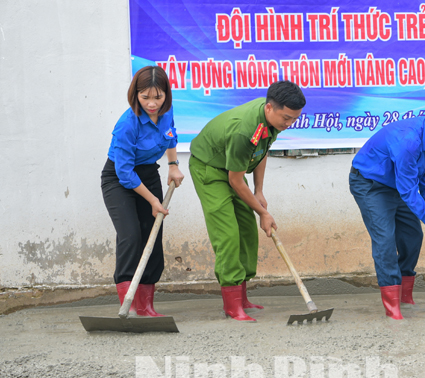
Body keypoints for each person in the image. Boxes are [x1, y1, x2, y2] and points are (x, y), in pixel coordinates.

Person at [188, 81, 306, 321]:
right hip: (210, 169)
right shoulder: (244, 129)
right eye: (286, 118)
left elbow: (261, 152)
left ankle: (241, 296)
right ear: (270, 108)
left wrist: (259, 190)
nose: (289, 124)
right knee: (228, 235)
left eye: (294, 119)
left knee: (247, 232)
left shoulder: (271, 121)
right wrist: (263, 213)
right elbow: (235, 180)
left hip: (235, 171)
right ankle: (232, 304)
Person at [349, 98, 425, 320]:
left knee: (412, 237)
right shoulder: (408, 141)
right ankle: (391, 305)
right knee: (385, 239)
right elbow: (408, 191)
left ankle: (404, 294)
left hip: (398, 185)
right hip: (371, 185)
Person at [101, 66, 184, 316]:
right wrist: (153, 201)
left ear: (166, 95)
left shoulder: (166, 112)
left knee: (152, 236)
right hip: (118, 178)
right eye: (145, 97)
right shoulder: (128, 124)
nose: (151, 103)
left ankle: (146, 307)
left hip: (148, 174)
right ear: (135, 94)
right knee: (131, 236)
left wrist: (172, 165)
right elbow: (125, 173)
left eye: (157, 97)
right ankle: (129, 305)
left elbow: (170, 137)